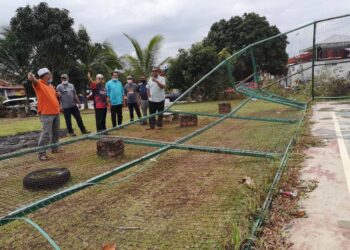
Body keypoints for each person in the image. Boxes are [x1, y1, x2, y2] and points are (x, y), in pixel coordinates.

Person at [27, 68, 61, 161]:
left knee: (56, 132)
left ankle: (55, 148)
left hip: (56, 112)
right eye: (49, 74)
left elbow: (53, 96)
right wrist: (32, 77)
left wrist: (57, 94)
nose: (51, 76)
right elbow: (34, 81)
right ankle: (41, 153)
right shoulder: (39, 84)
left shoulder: (50, 85)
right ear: (45, 75)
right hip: (46, 113)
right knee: (46, 133)